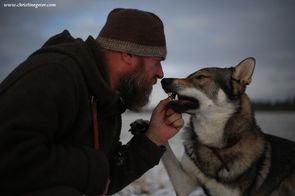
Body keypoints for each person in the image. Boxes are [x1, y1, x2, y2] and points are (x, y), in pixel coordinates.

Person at [0, 8, 184, 196]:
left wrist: (153, 138)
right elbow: (9, 156)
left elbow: (103, 182)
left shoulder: (106, 100)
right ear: (128, 54)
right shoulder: (54, 74)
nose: (161, 73)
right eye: (157, 61)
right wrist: (93, 168)